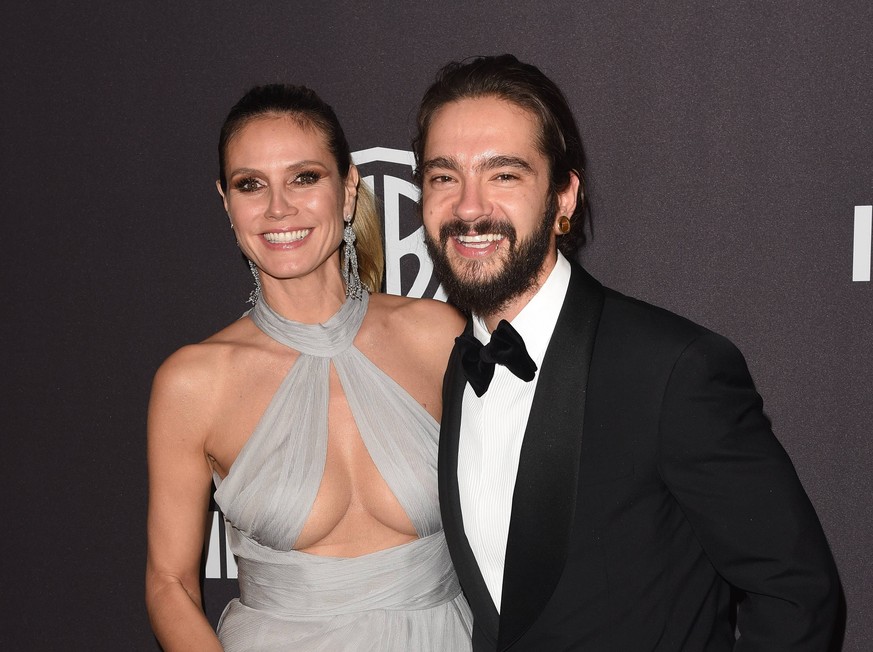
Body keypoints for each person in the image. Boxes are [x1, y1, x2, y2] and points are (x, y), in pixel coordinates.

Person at [413, 54, 840, 650]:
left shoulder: (670, 368)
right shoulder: (460, 365)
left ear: (564, 197)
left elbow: (796, 591)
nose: (467, 206)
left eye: (503, 174)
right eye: (443, 176)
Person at [145, 84, 472, 651]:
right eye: (251, 185)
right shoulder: (194, 381)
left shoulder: (437, 335)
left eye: (304, 177)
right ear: (226, 203)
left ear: (347, 192)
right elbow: (169, 582)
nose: (278, 208)